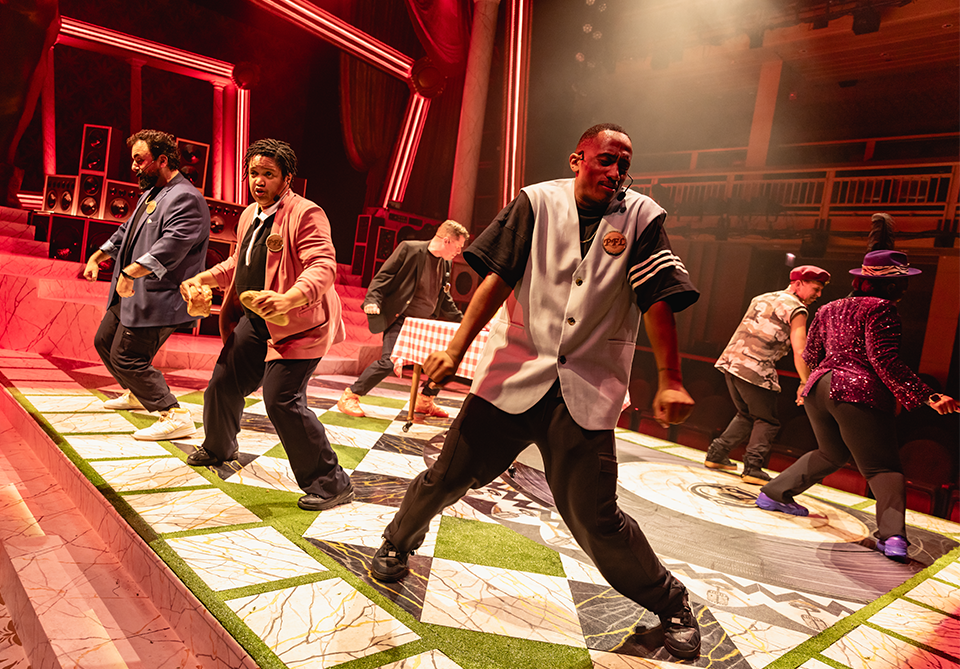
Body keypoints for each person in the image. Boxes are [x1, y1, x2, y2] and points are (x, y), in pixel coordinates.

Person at [370, 124, 702, 660]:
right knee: (448, 475)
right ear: (578, 158)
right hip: (513, 372)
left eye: (624, 164)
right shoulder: (535, 202)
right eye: (605, 160)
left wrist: (671, 379)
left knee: (594, 515)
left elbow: (658, 298)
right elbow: (497, 279)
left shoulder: (642, 217)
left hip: (588, 388)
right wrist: (456, 349)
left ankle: (673, 605)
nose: (615, 172)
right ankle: (395, 541)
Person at [179, 139, 353, 512]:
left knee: (281, 400)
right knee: (222, 384)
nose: (258, 181)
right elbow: (238, 266)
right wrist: (203, 279)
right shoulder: (248, 216)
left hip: (299, 324)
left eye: (268, 174)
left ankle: (331, 483)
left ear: (286, 179)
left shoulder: (306, 213)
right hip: (257, 321)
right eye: (254, 173)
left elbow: (323, 267)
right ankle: (219, 447)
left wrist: (288, 299)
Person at [756, 250, 958, 561]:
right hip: (855, 390)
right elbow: (884, 360)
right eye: (903, 281)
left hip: (819, 387)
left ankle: (773, 493)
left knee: (831, 453)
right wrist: (929, 397)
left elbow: (809, 355)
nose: (905, 287)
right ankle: (892, 538)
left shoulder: (829, 307)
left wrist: (806, 383)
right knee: (884, 468)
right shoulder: (883, 309)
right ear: (893, 286)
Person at [84, 129, 210, 441]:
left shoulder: (186, 198)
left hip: (159, 297)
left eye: (140, 160)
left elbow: (171, 246)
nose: (134, 167)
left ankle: (174, 414)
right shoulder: (152, 192)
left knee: (129, 358)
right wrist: (99, 254)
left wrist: (129, 274)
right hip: (131, 292)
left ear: (162, 160)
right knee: (104, 342)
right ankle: (136, 392)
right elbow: (127, 229)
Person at [705, 265, 831, 484]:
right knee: (767, 421)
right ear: (798, 283)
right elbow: (800, 349)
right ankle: (752, 468)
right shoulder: (796, 308)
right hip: (756, 368)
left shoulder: (761, 298)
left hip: (731, 364)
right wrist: (805, 382)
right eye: (816, 288)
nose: (818, 295)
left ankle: (716, 455)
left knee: (746, 414)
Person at [337, 221, 467, 419]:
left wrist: (465, 322)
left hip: (425, 324)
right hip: (402, 319)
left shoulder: (446, 263)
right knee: (389, 361)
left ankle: (425, 400)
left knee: (445, 363)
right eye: (458, 247)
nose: (458, 252)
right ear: (447, 240)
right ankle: (350, 395)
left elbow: (445, 298)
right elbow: (383, 277)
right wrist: (372, 300)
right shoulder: (410, 249)